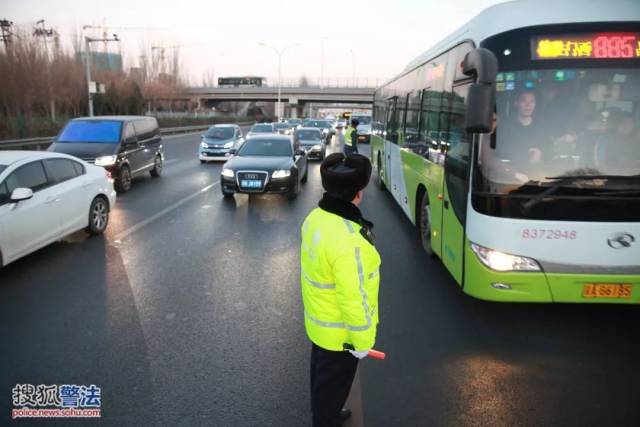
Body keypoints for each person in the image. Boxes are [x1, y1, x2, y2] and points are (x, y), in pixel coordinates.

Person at [301, 153, 381, 427]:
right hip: (340, 336)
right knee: (334, 385)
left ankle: (326, 415)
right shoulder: (350, 241)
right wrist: (362, 343)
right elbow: (353, 297)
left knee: (321, 381)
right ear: (358, 193)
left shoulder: (315, 217)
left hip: (319, 323)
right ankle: (326, 420)